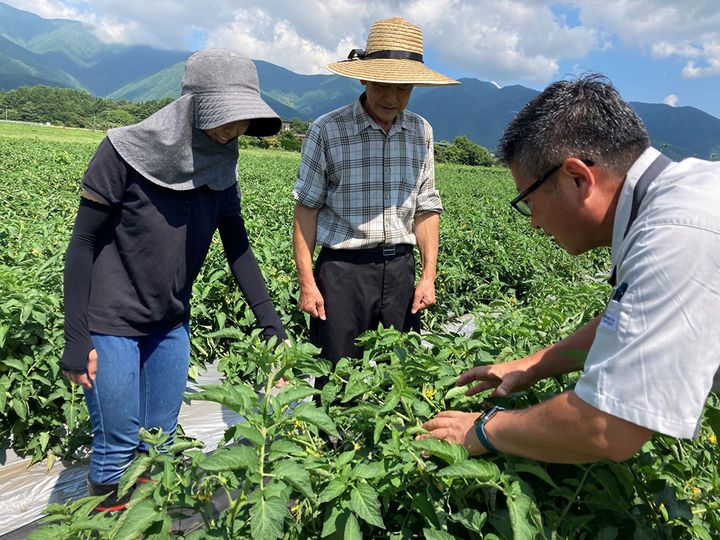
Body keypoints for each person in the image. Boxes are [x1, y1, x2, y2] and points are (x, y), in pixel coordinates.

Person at [422, 74, 720, 463]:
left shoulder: (677, 236)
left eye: (528, 200)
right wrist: (531, 365)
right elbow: (629, 320)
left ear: (577, 178)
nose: (534, 222)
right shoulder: (686, 196)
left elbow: (607, 427)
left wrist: (479, 431)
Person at [61, 49, 287, 510]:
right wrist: (75, 336)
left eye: (243, 118)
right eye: (227, 116)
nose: (235, 130)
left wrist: (271, 325)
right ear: (192, 106)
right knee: (117, 446)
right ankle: (106, 524)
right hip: (111, 324)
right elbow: (82, 244)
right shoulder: (123, 150)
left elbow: (238, 249)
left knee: (158, 447)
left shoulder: (222, 164)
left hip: (170, 324)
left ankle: (145, 523)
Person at [292, 17, 458, 368]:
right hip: (342, 273)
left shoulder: (421, 132)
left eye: (403, 88)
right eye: (384, 84)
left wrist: (428, 277)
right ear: (364, 75)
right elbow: (307, 209)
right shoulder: (327, 130)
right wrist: (307, 283)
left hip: (400, 270)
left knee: (399, 374)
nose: (392, 97)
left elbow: (426, 207)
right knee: (335, 377)